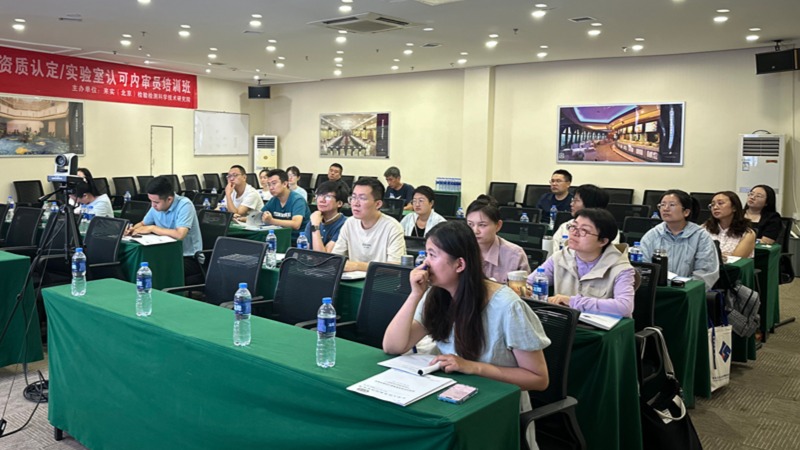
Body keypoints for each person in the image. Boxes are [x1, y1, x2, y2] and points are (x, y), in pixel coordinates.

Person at [382, 221, 549, 447]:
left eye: (432, 255)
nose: (425, 264)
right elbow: (392, 346)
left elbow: (538, 379)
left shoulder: (507, 306)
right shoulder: (436, 294)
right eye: (426, 254)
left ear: (459, 264)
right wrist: (414, 295)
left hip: (496, 403)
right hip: (451, 394)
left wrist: (472, 367)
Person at [527, 208, 637, 318]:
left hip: (599, 327)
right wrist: (526, 290)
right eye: (573, 227)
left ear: (603, 241)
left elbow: (624, 307)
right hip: (561, 321)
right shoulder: (560, 257)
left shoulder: (621, 268)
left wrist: (572, 301)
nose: (574, 233)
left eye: (584, 230)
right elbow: (529, 283)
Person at [125, 176, 203, 283]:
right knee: (138, 264)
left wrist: (153, 228)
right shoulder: (156, 206)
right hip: (165, 253)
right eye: (151, 201)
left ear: (169, 199)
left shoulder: (185, 205)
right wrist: (132, 229)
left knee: (153, 269)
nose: (153, 205)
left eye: (156, 202)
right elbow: (143, 224)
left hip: (188, 257)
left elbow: (180, 235)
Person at [639, 189, 719, 290]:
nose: (665, 209)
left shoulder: (701, 236)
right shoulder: (651, 235)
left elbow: (706, 273)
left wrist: (685, 290)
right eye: (662, 205)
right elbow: (644, 268)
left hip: (688, 292)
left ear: (686, 212)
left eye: (672, 205)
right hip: (657, 291)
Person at [332, 178, 406, 272]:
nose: (355, 203)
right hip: (351, 277)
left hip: (380, 279)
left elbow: (395, 267)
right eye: (353, 197)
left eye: (362, 198)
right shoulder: (349, 223)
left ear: (378, 204)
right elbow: (336, 259)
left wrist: (357, 266)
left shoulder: (393, 227)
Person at [466, 195, 530, 283]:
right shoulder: (459, 250)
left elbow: (524, 289)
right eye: (470, 224)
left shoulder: (515, 255)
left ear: (498, 225)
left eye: (482, 225)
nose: (475, 231)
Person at [552, 184, 619, 249]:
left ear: (589, 204)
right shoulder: (565, 226)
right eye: (572, 200)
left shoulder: (608, 229)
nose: (571, 204)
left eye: (576, 200)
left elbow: (611, 253)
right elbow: (554, 251)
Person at [703, 191, 756, 259]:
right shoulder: (704, 228)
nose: (715, 207)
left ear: (734, 207)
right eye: (712, 205)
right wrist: (721, 255)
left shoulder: (747, 234)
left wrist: (716, 255)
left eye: (720, 203)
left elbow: (735, 260)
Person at [261, 169, 311, 239]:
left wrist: (272, 221)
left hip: (299, 240)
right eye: (269, 185)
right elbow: (260, 214)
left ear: (285, 184)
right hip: (280, 238)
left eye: (274, 183)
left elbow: (296, 224)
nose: (271, 188)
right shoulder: (273, 200)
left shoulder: (297, 200)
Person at [305, 181, 348, 253]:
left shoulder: (344, 225)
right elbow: (304, 251)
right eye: (319, 195)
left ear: (339, 203)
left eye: (328, 197)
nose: (322, 200)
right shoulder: (313, 220)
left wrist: (315, 227)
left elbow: (323, 256)